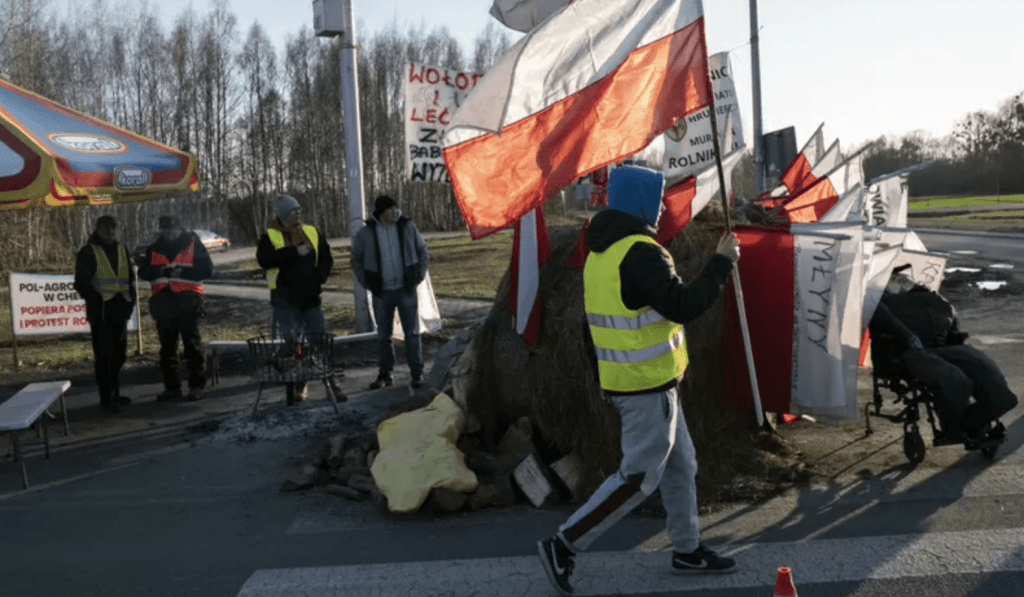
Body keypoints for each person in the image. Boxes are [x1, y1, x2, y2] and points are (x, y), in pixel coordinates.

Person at [537, 165, 741, 595]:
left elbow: (588, 327)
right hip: (647, 385)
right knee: (637, 478)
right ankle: (564, 543)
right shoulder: (641, 251)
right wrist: (721, 263)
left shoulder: (600, 251)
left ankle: (687, 550)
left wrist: (605, 379)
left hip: (635, 381)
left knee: (681, 466)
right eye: (659, 197)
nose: (663, 206)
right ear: (643, 202)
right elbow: (682, 305)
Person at [869, 267, 1017, 443]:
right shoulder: (878, 301)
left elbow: (954, 333)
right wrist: (906, 336)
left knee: (991, 379)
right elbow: (879, 316)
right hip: (907, 352)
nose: (901, 280)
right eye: (896, 277)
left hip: (941, 349)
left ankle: (972, 422)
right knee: (955, 378)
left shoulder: (939, 302)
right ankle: (954, 429)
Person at [257, 194, 345, 405]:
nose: (297, 213)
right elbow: (265, 260)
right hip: (285, 302)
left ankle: (331, 384)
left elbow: (325, 258)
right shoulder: (270, 237)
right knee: (294, 347)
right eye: (293, 210)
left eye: (298, 209)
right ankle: (300, 384)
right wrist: (294, 252)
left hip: (311, 299)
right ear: (282, 214)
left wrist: (319, 278)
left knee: (318, 342)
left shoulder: (311, 232)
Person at [351, 195, 430, 390]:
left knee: (412, 334)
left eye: (396, 208)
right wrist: (367, 282)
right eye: (390, 209)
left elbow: (423, 251)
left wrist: (418, 275)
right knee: (384, 336)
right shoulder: (365, 234)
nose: (395, 212)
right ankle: (385, 374)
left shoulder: (407, 227)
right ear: (381, 212)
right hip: (382, 292)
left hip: (406, 290)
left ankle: (417, 374)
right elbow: (356, 260)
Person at [138, 216, 213, 402]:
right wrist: (162, 271)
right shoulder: (154, 247)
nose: (169, 234)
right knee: (167, 349)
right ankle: (172, 388)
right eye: (165, 231)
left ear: (180, 229)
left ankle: (196, 386)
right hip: (163, 303)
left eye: (172, 231)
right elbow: (143, 272)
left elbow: (207, 270)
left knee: (192, 346)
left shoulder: (193, 244)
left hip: (188, 301)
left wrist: (183, 272)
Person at [73, 215, 137, 414]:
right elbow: (81, 283)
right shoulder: (88, 252)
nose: (111, 232)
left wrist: (131, 302)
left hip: (120, 309)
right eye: (107, 229)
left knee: (119, 355)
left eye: (113, 229)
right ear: (98, 229)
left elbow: (130, 279)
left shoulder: (122, 249)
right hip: (101, 312)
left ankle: (114, 392)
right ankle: (107, 396)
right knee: (104, 356)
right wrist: (96, 301)